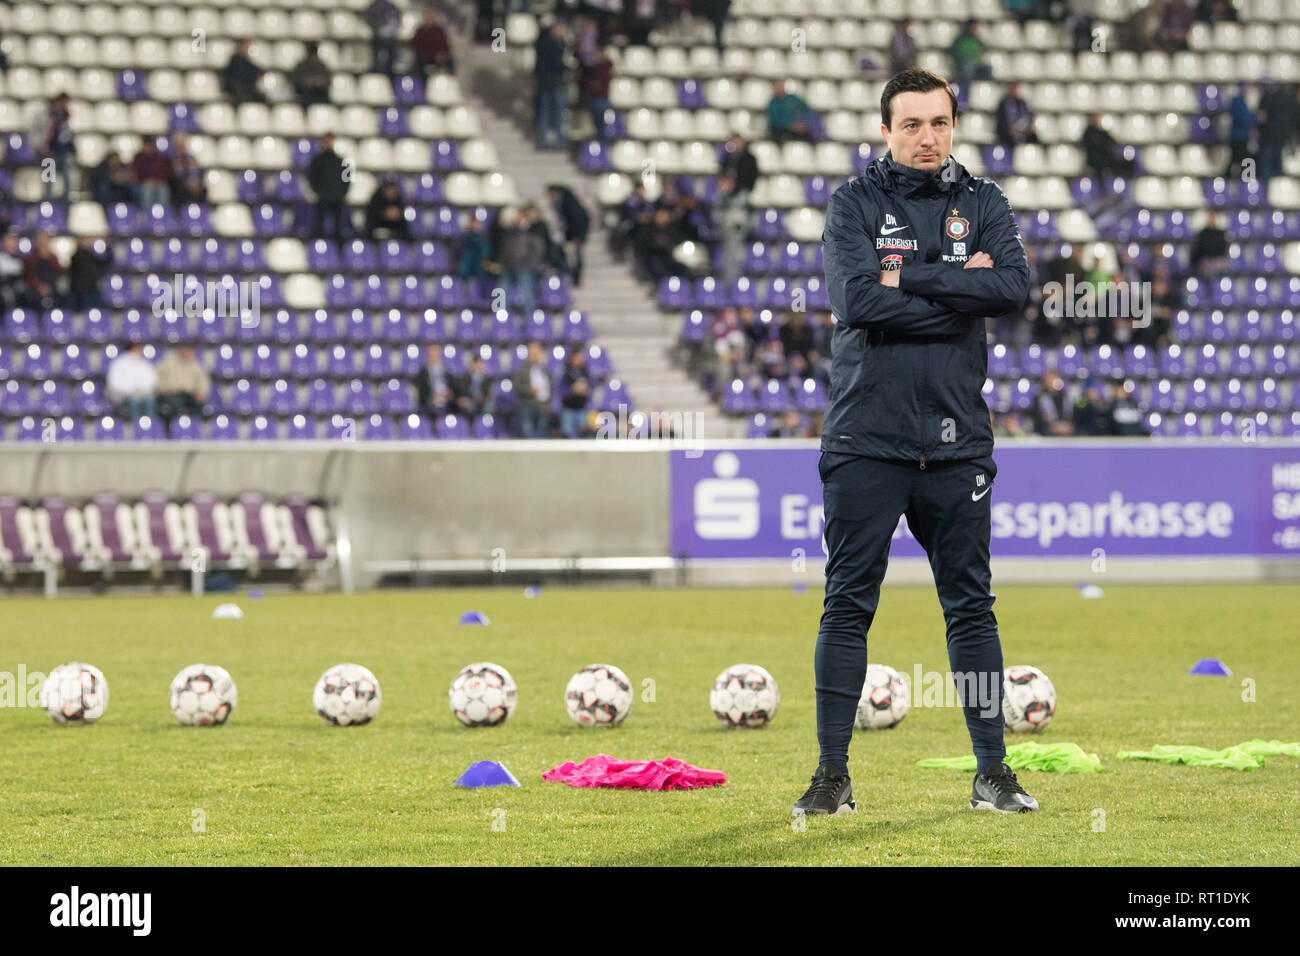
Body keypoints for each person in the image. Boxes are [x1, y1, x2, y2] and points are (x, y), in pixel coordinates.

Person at [796, 68, 1035, 819]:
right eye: (911, 125)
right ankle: (833, 777)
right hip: (867, 438)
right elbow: (855, 300)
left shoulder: (984, 202)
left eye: (939, 123)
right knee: (847, 606)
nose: (927, 138)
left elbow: (1012, 289)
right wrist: (957, 288)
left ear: (953, 125)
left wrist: (910, 287)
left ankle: (993, 774)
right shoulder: (855, 203)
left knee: (971, 608)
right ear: (886, 131)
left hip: (958, 443)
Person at [498, 210, 546, 316]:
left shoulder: (534, 232)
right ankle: (502, 319)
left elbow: (537, 251)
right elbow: (504, 247)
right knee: (501, 292)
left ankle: (528, 320)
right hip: (509, 268)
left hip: (525, 269)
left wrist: (529, 266)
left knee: (527, 294)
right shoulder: (510, 232)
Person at [154, 345, 211, 430]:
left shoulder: (196, 364)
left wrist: (202, 393)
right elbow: (156, 375)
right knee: (173, 406)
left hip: (190, 395)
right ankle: (173, 431)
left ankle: (193, 431)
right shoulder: (169, 361)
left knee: (200, 407)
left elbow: (203, 381)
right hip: (172, 394)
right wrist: (161, 388)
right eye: (185, 350)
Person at [308, 135, 350, 243]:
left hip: (338, 198)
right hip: (322, 198)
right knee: (319, 227)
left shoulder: (342, 161)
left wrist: (341, 193)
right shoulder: (316, 161)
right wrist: (319, 192)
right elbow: (311, 178)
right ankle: (319, 246)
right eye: (326, 141)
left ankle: (338, 249)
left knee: (338, 229)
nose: (328, 143)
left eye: (330, 141)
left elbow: (347, 179)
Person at [534, 21, 569, 151]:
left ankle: (544, 142)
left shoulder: (544, 44)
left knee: (547, 113)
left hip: (546, 84)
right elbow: (557, 64)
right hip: (553, 83)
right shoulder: (553, 45)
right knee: (554, 113)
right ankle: (557, 143)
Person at [547, 183, 590, 286]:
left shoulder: (570, 205)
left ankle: (576, 277)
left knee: (574, 258)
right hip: (567, 237)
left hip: (574, 237)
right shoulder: (559, 204)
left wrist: (578, 236)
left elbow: (580, 221)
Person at [38, 93, 75, 207]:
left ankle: (66, 199)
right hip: (52, 150)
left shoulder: (65, 115)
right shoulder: (51, 115)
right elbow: (47, 132)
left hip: (63, 151)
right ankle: (47, 199)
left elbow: (67, 133)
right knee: (49, 177)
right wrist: (46, 146)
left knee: (66, 177)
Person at [1257, 80, 1296, 186]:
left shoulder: (1266, 98)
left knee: (1266, 171)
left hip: (1267, 139)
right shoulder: (1289, 100)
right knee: (1278, 170)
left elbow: (1261, 118)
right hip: (1281, 138)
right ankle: (1279, 195)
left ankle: (1266, 195)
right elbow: (1293, 120)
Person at [106, 343, 158, 420]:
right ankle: (136, 426)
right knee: (134, 400)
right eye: (137, 349)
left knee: (150, 399)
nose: (140, 351)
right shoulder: (119, 363)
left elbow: (152, 380)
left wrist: (142, 388)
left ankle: (150, 426)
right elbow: (114, 383)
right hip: (124, 395)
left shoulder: (144, 363)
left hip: (144, 393)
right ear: (131, 349)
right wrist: (132, 389)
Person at [512, 340, 553, 438]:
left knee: (541, 435)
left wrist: (547, 403)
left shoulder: (544, 369)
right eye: (532, 352)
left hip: (542, 407)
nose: (534, 355)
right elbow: (516, 387)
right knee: (527, 434)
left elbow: (550, 388)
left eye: (536, 352)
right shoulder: (522, 369)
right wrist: (529, 390)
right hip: (527, 406)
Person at [1081, 113, 1136, 180]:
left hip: (1106, 158)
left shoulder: (1103, 133)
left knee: (1126, 163)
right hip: (1096, 160)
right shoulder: (1088, 133)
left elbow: (1113, 142)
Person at [67, 236, 112, 311]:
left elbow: (106, 262)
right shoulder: (79, 256)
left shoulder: (94, 257)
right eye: (86, 239)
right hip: (82, 292)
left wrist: (107, 247)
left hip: (93, 290)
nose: (90, 241)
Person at [23, 231, 65, 309]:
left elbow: (61, 272)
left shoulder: (53, 257)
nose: (43, 241)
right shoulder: (31, 258)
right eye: (41, 239)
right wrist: (39, 287)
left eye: (46, 239)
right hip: (36, 291)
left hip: (53, 290)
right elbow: (29, 276)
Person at [766, 79, 815, 144]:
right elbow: (774, 120)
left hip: (795, 128)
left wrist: (804, 124)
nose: (780, 89)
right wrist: (790, 126)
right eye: (778, 87)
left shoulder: (793, 99)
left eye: (781, 86)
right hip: (781, 130)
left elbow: (806, 109)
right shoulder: (773, 103)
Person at [583, 45, 614, 143]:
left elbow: (598, 83)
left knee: (602, 127)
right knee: (596, 126)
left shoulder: (605, 67)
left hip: (602, 100)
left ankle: (604, 145)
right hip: (593, 100)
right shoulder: (592, 68)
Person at [949, 20, 992, 89]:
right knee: (968, 69)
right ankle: (968, 90)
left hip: (977, 64)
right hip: (965, 64)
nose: (975, 29)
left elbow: (984, 48)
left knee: (988, 68)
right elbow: (955, 53)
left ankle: (988, 89)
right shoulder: (960, 39)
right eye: (974, 27)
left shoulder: (977, 39)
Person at [1224, 84, 1256, 179]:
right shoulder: (1238, 101)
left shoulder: (1239, 101)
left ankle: (1230, 177)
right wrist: (1255, 117)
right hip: (1239, 136)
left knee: (1235, 159)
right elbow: (1244, 118)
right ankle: (1245, 179)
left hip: (1239, 136)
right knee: (1243, 159)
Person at [415, 345, 454, 419]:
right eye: (432, 356)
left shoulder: (447, 371)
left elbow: (453, 387)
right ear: (428, 356)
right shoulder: (423, 373)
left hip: (446, 402)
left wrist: (449, 394)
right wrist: (432, 395)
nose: (435, 358)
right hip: (429, 404)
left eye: (436, 355)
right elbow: (421, 391)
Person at [221, 39, 266, 104]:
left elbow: (256, 70)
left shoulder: (245, 61)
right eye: (245, 46)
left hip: (246, 90)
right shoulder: (236, 60)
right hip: (237, 90)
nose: (247, 49)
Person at [413, 7, 455, 75]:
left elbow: (445, 45)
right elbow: (417, 46)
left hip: (439, 57)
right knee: (419, 62)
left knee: (450, 61)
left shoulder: (440, 30)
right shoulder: (420, 31)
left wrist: (443, 54)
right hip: (425, 57)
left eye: (432, 16)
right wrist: (432, 55)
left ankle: (451, 79)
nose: (430, 18)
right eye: (428, 16)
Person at [559, 349, 591, 437]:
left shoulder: (585, 372)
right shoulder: (566, 372)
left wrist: (584, 390)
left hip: (581, 408)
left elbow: (589, 388)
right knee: (568, 433)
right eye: (578, 357)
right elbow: (562, 390)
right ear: (572, 358)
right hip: (568, 409)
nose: (580, 359)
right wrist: (572, 389)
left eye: (581, 357)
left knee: (583, 432)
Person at [364, 0, 401, 76]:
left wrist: (391, 29)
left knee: (392, 47)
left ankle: (390, 70)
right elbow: (369, 20)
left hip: (390, 36)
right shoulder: (373, 6)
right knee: (375, 50)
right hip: (377, 35)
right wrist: (378, 26)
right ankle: (376, 69)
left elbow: (397, 20)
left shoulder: (392, 6)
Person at [168, 134, 207, 206]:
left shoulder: (191, 157)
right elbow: (175, 175)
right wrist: (187, 183)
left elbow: (197, 172)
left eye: (183, 144)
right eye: (179, 145)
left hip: (194, 183)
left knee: (203, 189)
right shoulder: (172, 158)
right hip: (181, 184)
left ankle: (202, 211)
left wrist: (196, 183)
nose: (181, 147)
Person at [994, 82, 1037, 146]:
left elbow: (1029, 117)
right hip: (1008, 134)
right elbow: (1002, 121)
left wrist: (1027, 128)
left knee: (1034, 137)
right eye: (1012, 89)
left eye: (1015, 89)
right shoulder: (1003, 104)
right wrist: (1009, 129)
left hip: (1022, 131)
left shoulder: (1023, 103)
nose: (1014, 91)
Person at [1032, 371, 1074, 435]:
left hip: (1066, 430)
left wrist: (1066, 425)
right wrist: (1054, 426)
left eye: (1054, 379)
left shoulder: (1065, 397)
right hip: (1047, 431)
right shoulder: (1039, 398)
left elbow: (1070, 415)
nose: (1051, 382)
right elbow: (1038, 419)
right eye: (1049, 380)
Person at [132, 139, 171, 209]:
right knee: (147, 189)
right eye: (146, 146)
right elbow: (136, 173)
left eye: (149, 146)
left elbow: (163, 173)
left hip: (157, 182)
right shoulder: (138, 158)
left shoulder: (158, 157)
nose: (148, 148)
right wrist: (145, 180)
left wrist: (156, 180)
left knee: (163, 188)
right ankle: (146, 212)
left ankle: (163, 211)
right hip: (143, 182)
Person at [1189, 211, 1228, 278]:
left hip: (1218, 260)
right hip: (1205, 260)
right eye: (1210, 217)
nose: (1211, 219)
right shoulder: (1202, 234)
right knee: (1205, 268)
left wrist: (1219, 259)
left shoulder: (1220, 234)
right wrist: (1204, 260)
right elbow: (1198, 250)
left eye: (1213, 217)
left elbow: (1223, 248)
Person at [457, 215, 494, 280]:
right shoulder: (466, 237)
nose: (477, 226)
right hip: (467, 266)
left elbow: (487, 251)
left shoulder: (482, 237)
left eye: (478, 224)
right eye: (475, 224)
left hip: (478, 266)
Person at [0, 232, 28, 311]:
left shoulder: (21, 260)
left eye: (14, 240)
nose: (12, 243)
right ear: (4, 241)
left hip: (17, 291)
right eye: (9, 240)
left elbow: (22, 278)